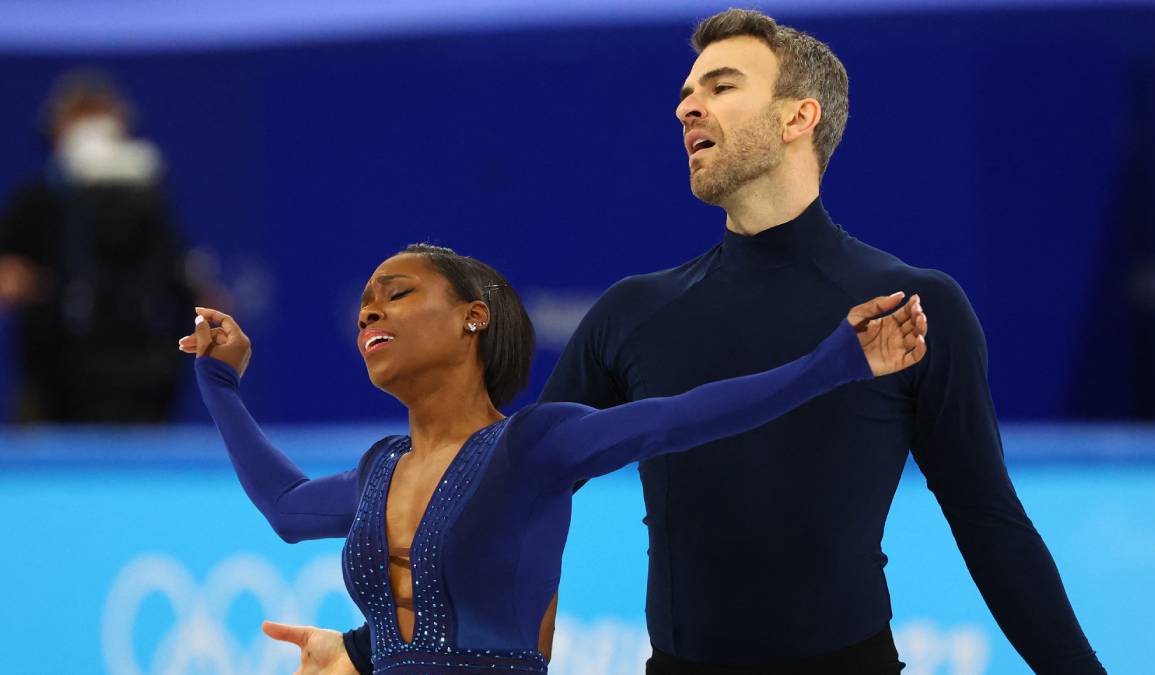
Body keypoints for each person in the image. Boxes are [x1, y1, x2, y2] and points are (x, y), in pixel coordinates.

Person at [307, 8, 1104, 675]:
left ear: (800, 117)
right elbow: (501, 496)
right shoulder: (635, 313)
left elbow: (990, 522)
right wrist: (369, 646)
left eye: (722, 87)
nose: (688, 107)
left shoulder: (909, 307)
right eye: (687, 94)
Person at [178, 242, 927, 675]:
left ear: (475, 316)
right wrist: (219, 382)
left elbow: (681, 416)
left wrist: (836, 365)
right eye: (366, 302)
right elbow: (287, 508)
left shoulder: (534, 444)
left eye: (397, 293)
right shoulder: (381, 468)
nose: (370, 309)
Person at [0, 68, 196, 423]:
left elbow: (179, 280)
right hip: (54, 385)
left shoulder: (149, 203)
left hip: (142, 381)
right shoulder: (34, 203)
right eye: (79, 117)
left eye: (99, 116)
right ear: (56, 128)